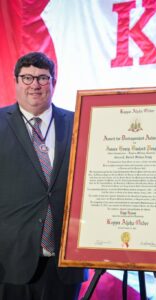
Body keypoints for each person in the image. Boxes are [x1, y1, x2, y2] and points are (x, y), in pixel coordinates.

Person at [0, 52, 86, 299]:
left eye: (42, 78)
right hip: (10, 261)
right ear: (16, 82)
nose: (34, 85)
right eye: (27, 78)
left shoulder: (80, 122)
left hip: (66, 260)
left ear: (54, 82)